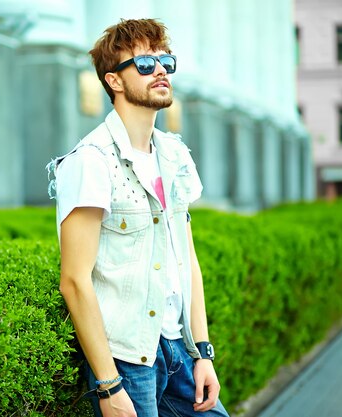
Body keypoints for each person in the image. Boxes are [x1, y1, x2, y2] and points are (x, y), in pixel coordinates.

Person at [46, 19, 230, 417]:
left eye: (165, 60)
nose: (160, 69)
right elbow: (75, 281)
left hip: (178, 349)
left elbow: (187, 259)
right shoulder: (91, 162)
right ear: (113, 81)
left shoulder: (174, 155)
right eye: (145, 63)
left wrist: (204, 352)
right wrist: (109, 385)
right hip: (128, 361)